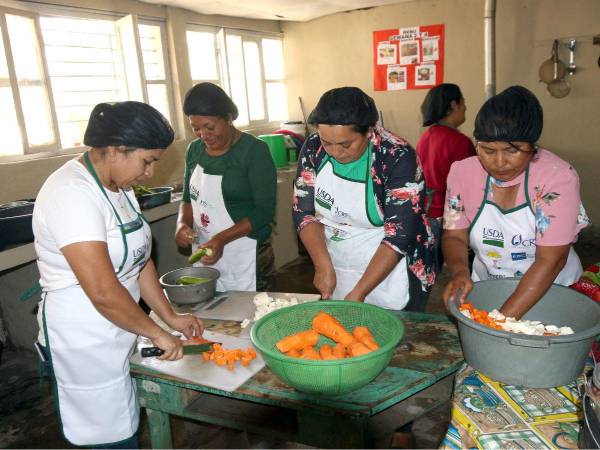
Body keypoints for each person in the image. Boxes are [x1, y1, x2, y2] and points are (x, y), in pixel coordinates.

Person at [33, 101, 204, 448]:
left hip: (119, 327)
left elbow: (139, 260)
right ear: (114, 150)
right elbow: (102, 290)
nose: (150, 173)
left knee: (125, 424)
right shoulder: (72, 194)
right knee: (106, 438)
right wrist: (157, 333)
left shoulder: (119, 186)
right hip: (82, 341)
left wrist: (170, 316)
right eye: (147, 161)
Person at [442, 86, 590, 319]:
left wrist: (499, 322)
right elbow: (454, 236)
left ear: (533, 146)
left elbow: (551, 260)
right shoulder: (462, 174)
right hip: (487, 288)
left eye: (513, 150)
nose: (499, 162)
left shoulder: (556, 177)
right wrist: (460, 271)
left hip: (553, 292)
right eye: (488, 150)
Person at [292, 86, 436, 312]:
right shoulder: (313, 148)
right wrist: (322, 265)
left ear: (369, 131)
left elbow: (399, 235)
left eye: (345, 144)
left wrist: (359, 292)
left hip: (391, 266)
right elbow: (304, 211)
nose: (335, 153)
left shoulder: (396, 156)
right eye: (327, 142)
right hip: (339, 257)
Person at [176, 83, 277, 291]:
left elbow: (264, 212)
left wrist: (221, 239)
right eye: (195, 128)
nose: (203, 135)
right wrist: (181, 224)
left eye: (209, 127)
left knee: (252, 315)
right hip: (206, 249)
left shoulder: (254, 151)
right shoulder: (194, 151)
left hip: (247, 254)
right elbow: (187, 198)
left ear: (229, 117)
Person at [416, 83, 475, 220]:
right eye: (464, 102)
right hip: (450, 217)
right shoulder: (460, 142)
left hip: (425, 214)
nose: (466, 107)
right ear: (454, 105)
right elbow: (470, 186)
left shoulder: (425, 137)